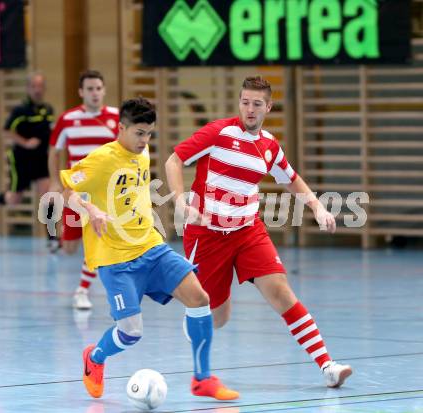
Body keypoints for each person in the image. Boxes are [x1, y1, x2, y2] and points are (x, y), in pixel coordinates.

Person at [165, 76, 353, 388]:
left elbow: (292, 178)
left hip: (248, 231)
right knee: (218, 317)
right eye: (245, 102)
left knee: (281, 292)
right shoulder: (218, 133)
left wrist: (317, 207)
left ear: (268, 107)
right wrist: (180, 201)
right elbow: (175, 160)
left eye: (256, 104)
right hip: (208, 235)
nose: (249, 109)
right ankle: (195, 321)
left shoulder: (269, 147)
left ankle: (327, 365)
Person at [59, 97, 239, 401]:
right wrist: (90, 210)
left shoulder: (142, 157)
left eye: (149, 134)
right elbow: (67, 192)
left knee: (199, 298)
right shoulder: (102, 159)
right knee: (130, 332)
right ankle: (95, 358)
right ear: (122, 128)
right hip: (116, 260)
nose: (145, 140)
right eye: (139, 133)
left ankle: (202, 379)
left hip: (150, 248)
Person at [48, 70, 119, 310]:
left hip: (102, 194)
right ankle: (65, 245)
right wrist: (55, 181)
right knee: (70, 248)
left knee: (96, 239)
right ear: (81, 92)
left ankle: (82, 290)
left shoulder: (116, 118)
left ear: (104, 90)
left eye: (98, 88)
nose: (95, 93)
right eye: (89, 89)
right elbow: (53, 151)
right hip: (75, 192)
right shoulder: (67, 119)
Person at [0, 72, 58, 251]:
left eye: (40, 86)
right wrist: (25, 142)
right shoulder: (20, 111)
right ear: (28, 88)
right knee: (14, 199)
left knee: (48, 198)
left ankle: (53, 239)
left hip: (41, 160)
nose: (37, 90)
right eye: (34, 86)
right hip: (21, 160)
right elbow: (6, 131)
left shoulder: (48, 110)